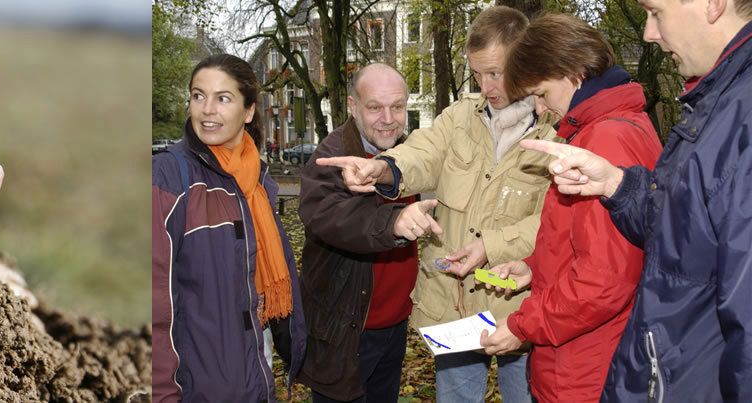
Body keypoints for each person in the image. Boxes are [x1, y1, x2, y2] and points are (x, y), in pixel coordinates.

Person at [315, 6, 560, 402]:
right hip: (455, 306)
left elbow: (557, 220)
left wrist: (492, 247)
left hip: (522, 306)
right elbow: (423, 152)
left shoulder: (558, 131)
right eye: (477, 73)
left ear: (526, 60)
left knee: (527, 396)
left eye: (495, 72)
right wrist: (384, 169)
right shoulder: (460, 117)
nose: (485, 85)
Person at [519, 0, 752, 401]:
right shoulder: (715, 102)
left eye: (656, 12)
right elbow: (684, 230)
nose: (649, 33)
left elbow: (606, 277)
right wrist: (617, 185)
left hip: (593, 366)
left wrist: (522, 325)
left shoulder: (736, 111)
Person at [462, 14, 663, 402]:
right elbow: (596, 246)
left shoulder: (604, 140)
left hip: (584, 368)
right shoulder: (616, 126)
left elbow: (603, 281)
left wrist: (522, 325)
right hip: (586, 355)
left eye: (541, 93)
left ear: (573, 73)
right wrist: (534, 268)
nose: (538, 109)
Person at [151, 53, 306, 402]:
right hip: (201, 386)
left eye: (223, 98)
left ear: (249, 111)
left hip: (256, 370)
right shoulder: (168, 178)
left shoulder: (259, 181)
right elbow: (153, 306)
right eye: (198, 95)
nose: (207, 109)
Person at [296, 63, 438, 403]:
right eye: (375, 107)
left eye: (397, 107)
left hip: (394, 325)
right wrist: (393, 222)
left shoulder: (409, 156)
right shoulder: (331, 158)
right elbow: (333, 217)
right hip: (344, 329)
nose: (388, 118)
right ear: (352, 106)